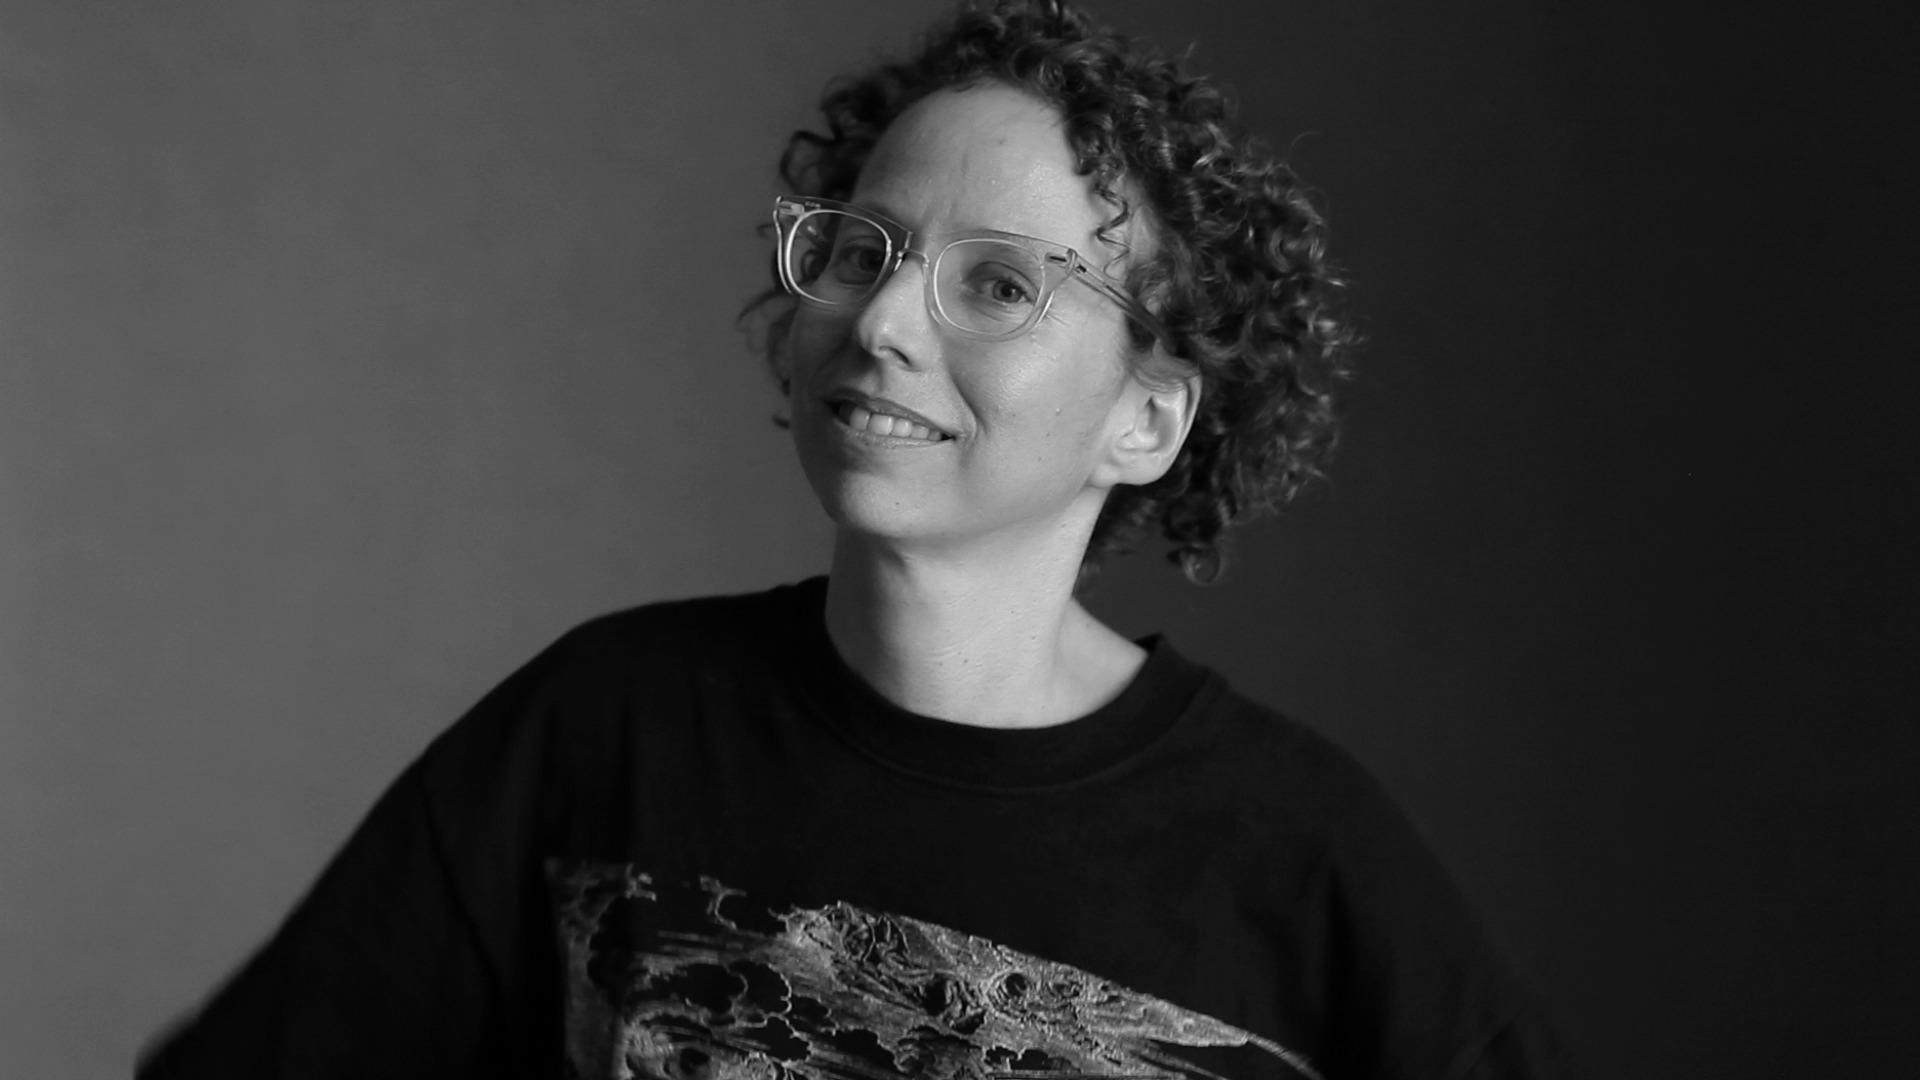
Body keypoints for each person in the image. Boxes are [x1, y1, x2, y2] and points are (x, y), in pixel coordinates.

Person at [140, 2, 1581, 1078]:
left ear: (1144, 420)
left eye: (1001, 284)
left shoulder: (1302, 858)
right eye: (861, 251)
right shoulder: (608, 727)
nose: (883, 323)